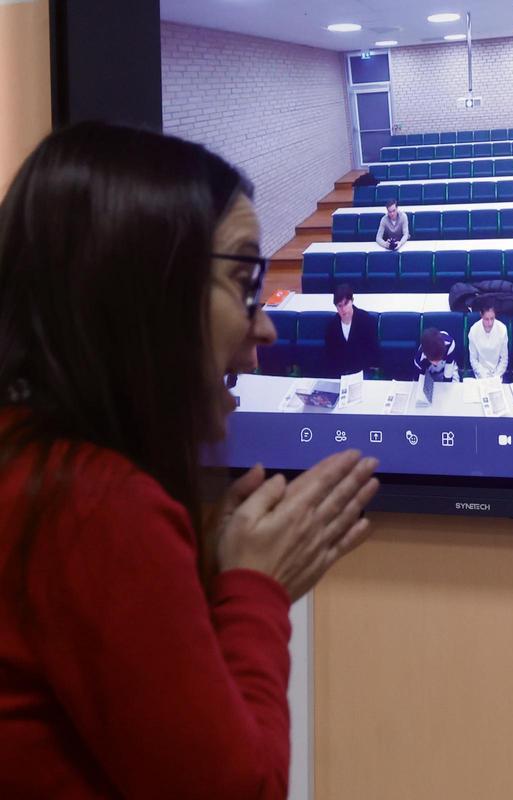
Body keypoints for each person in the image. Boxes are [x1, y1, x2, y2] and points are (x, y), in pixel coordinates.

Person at [0, 123, 379, 798]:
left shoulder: (28, 461)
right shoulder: (94, 504)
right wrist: (256, 589)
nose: (263, 326)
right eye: (242, 280)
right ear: (139, 285)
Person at [324, 283, 379, 377]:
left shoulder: (366, 320)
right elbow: (330, 354)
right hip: (340, 373)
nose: (343, 309)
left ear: (352, 301)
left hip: (362, 372)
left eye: (346, 304)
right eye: (339, 306)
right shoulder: (332, 325)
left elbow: (372, 350)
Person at [467, 300, 509, 379]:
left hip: (497, 376)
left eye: (492, 319)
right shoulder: (474, 330)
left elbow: (504, 359)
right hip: (480, 375)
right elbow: (473, 359)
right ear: (481, 315)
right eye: (486, 319)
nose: (490, 323)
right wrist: (483, 375)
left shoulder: (502, 329)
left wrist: (496, 376)